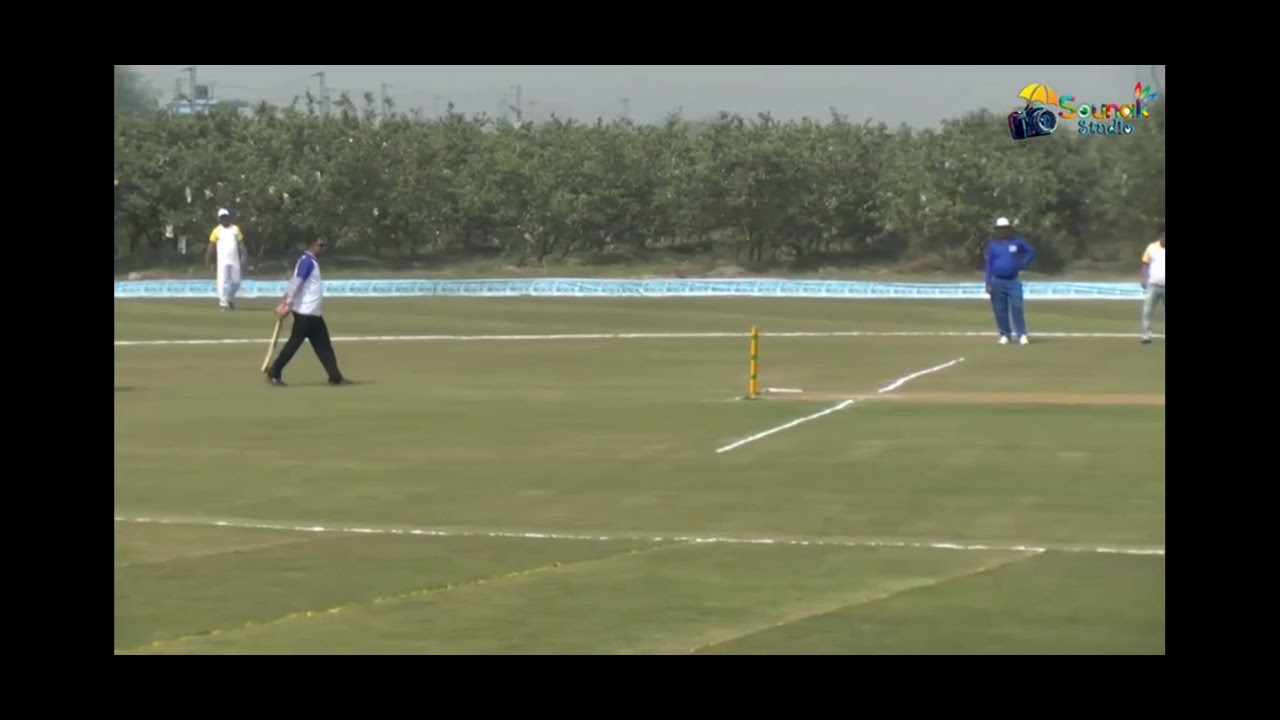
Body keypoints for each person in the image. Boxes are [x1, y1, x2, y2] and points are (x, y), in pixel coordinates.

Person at [265, 239, 349, 387]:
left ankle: (335, 376)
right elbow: (296, 282)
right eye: (320, 245)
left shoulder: (311, 262)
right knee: (294, 344)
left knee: (323, 346)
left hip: (313, 313)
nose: (323, 248)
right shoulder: (307, 262)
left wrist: (286, 301)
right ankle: (274, 373)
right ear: (312, 245)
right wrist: (287, 304)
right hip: (305, 313)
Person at [985, 217, 1037, 345]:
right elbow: (988, 264)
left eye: (1004, 229)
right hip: (997, 281)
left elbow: (1031, 251)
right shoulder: (992, 245)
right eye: (999, 229)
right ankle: (1005, 335)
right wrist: (987, 283)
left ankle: (1022, 335)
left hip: (1013, 281)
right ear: (996, 230)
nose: (1002, 231)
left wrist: (1022, 264)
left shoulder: (1016, 242)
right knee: (1000, 309)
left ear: (1009, 229)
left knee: (1017, 306)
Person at [205, 208, 247, 310]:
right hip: (222, 260)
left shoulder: (235, 229)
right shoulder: (216, 230)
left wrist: (244, 255)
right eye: (222, 218)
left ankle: (230, 299)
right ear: (219, 219)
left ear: (229, 217)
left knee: (236, 282)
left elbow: (241, 244)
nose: (224, 220)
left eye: (225, 217)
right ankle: (223, 303)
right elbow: (211, 246)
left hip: (235, 260)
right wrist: (208, 260)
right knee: (222, 282)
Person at [1140, 228, 1165, 344]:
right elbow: (1145, 264)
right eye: (1163, 236)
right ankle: (1146, 336)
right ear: (1160, 236)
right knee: (1147, 311)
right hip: (1153, 286)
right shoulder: (1151, 247)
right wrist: (1143, 278)